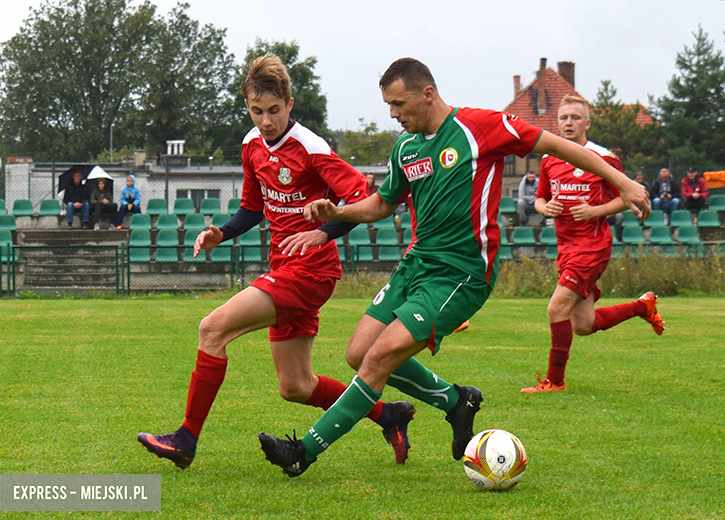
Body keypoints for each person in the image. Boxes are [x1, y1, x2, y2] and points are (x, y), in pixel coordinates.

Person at [257, 57, 650, 478]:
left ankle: (303, 451)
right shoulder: (406, 148)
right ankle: (456, 401)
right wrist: (338, 213)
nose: (393, 114)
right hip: (417, 265)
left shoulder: (480, 127)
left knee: (378, 359)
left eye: (399, 103)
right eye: (388, 105)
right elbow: (383, 204)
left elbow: (557, 146)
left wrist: (624, 184)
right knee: (357, 354)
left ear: (428, 94)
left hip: (461, 272)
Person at [137, 55, 415, 470]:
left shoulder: (311, 148)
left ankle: (186, 438)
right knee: (297, 386)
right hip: (285, 268)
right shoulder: (252, 145)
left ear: (289, 103)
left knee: (211, 329)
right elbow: (251, 208)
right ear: (247, 106)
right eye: (256, 111)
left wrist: (322, 231)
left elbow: (361, 202)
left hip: (312, 270)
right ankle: (387, 415)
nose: (266, 121)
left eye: (274, 110)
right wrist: (222, 233)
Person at [520, 95, 665, 393]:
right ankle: (643, 306)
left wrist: (594, 211)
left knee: (555, 309)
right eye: (563, 118)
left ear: (587, 123)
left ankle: (554, 381)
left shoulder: (604, 158)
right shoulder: (549, 158)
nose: (568, 123)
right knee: (583, 325)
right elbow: (540, 198)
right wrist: (544, 208)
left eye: (575, 117)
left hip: (592, 245)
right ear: (556, 123)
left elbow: (628, 197)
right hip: (566, 247)